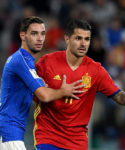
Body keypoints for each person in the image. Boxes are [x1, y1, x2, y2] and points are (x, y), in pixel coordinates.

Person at [34, 19, 125, 150]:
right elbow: (31, 89)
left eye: (87, 39)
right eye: (78, 38)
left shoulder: (96, 70)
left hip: (77, 142)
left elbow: (119, 96)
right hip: (49, 137)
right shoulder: (47, 62)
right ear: (67, 39)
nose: (83, 43)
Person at [0, 16, 85, 150]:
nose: (40, 38)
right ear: (23, 35)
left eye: (42, 34)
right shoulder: (20, 61)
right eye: (34, 33)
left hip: (10, 132)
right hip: (9, 132)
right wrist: (63, 91)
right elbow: (44, 96)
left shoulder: (24, 61)